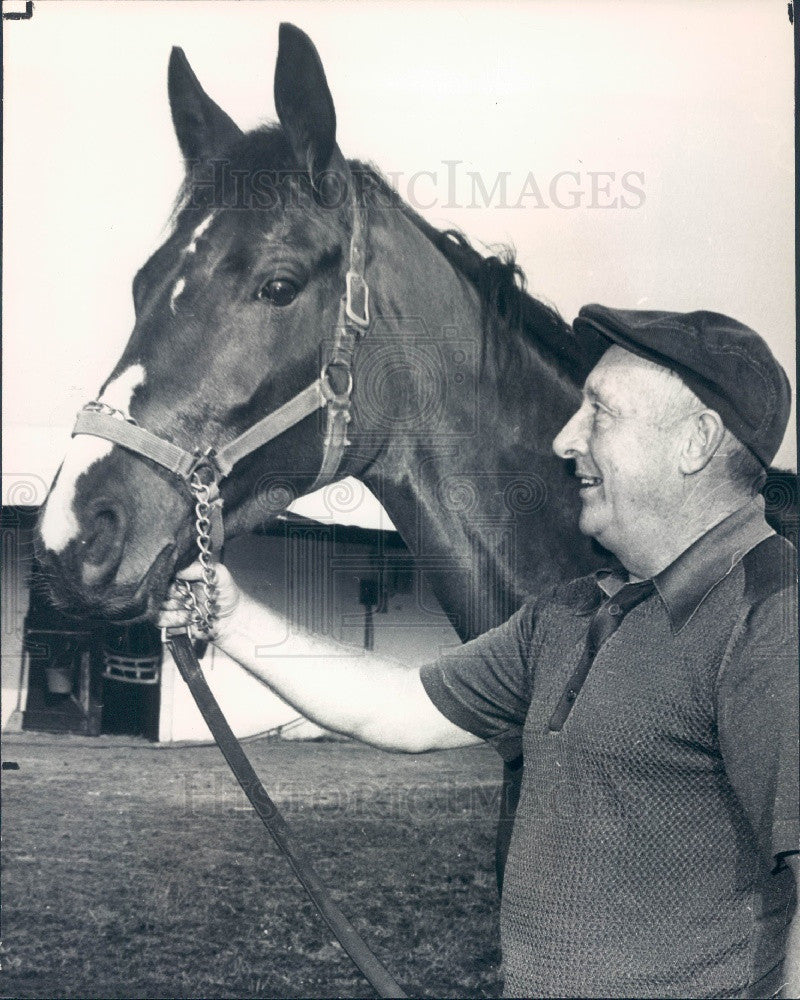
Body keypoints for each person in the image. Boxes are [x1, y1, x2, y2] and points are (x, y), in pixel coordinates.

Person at [159, 306, 799, 999]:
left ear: (697, 441)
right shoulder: (568, 612)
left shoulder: (773, 615)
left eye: (600, 413)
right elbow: (403, 709)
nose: (564, 439)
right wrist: (233, 619)